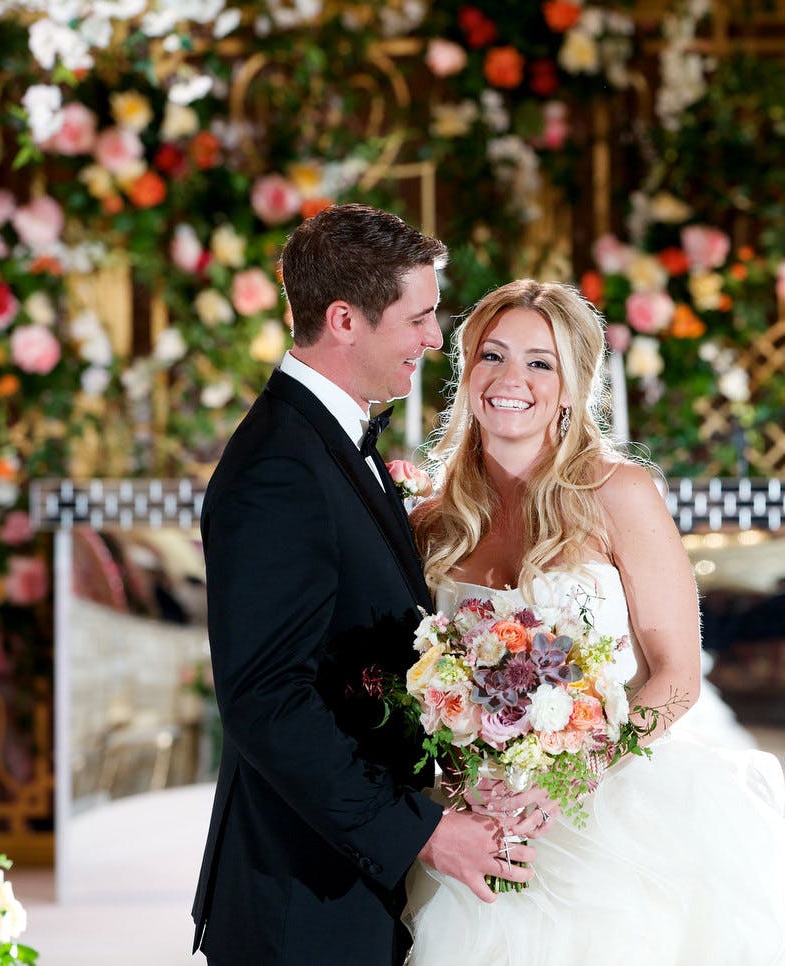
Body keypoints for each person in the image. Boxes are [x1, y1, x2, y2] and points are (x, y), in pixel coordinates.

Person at [404, 279, 785, 964]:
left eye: (541, 362)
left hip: (610, 796)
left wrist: (566, 780)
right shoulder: (434, 519)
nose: (511, 379)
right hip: (476, 808)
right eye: (491, 356)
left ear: (572, 385)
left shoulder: (617, 491)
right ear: (467, 370)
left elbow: (678, 676)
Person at [191, 205, 538, 965]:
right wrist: (423, 832)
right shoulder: (280, 468)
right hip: (302, 896)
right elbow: (265, 700)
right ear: (344, 319)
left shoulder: (329, 440)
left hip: (346, 878)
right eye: (418, 317)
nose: (434, 338)